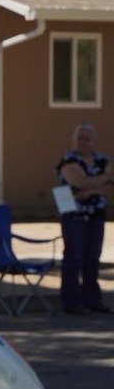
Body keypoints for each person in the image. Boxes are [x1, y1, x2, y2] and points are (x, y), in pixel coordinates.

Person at [56, 122, 114, 314]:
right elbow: (79, 182)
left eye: (87, 139)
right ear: (73, 140)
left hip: (96, 215)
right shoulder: (68, 160)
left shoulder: (103, 160)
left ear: (94, 141)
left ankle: (92, 300)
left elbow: (108, 185)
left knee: (93, 257)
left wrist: (91, 191)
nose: (83, 142)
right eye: (79, 138)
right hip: (73, 215)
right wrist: (102, 181)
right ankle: (71, 301)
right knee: (74, 257)